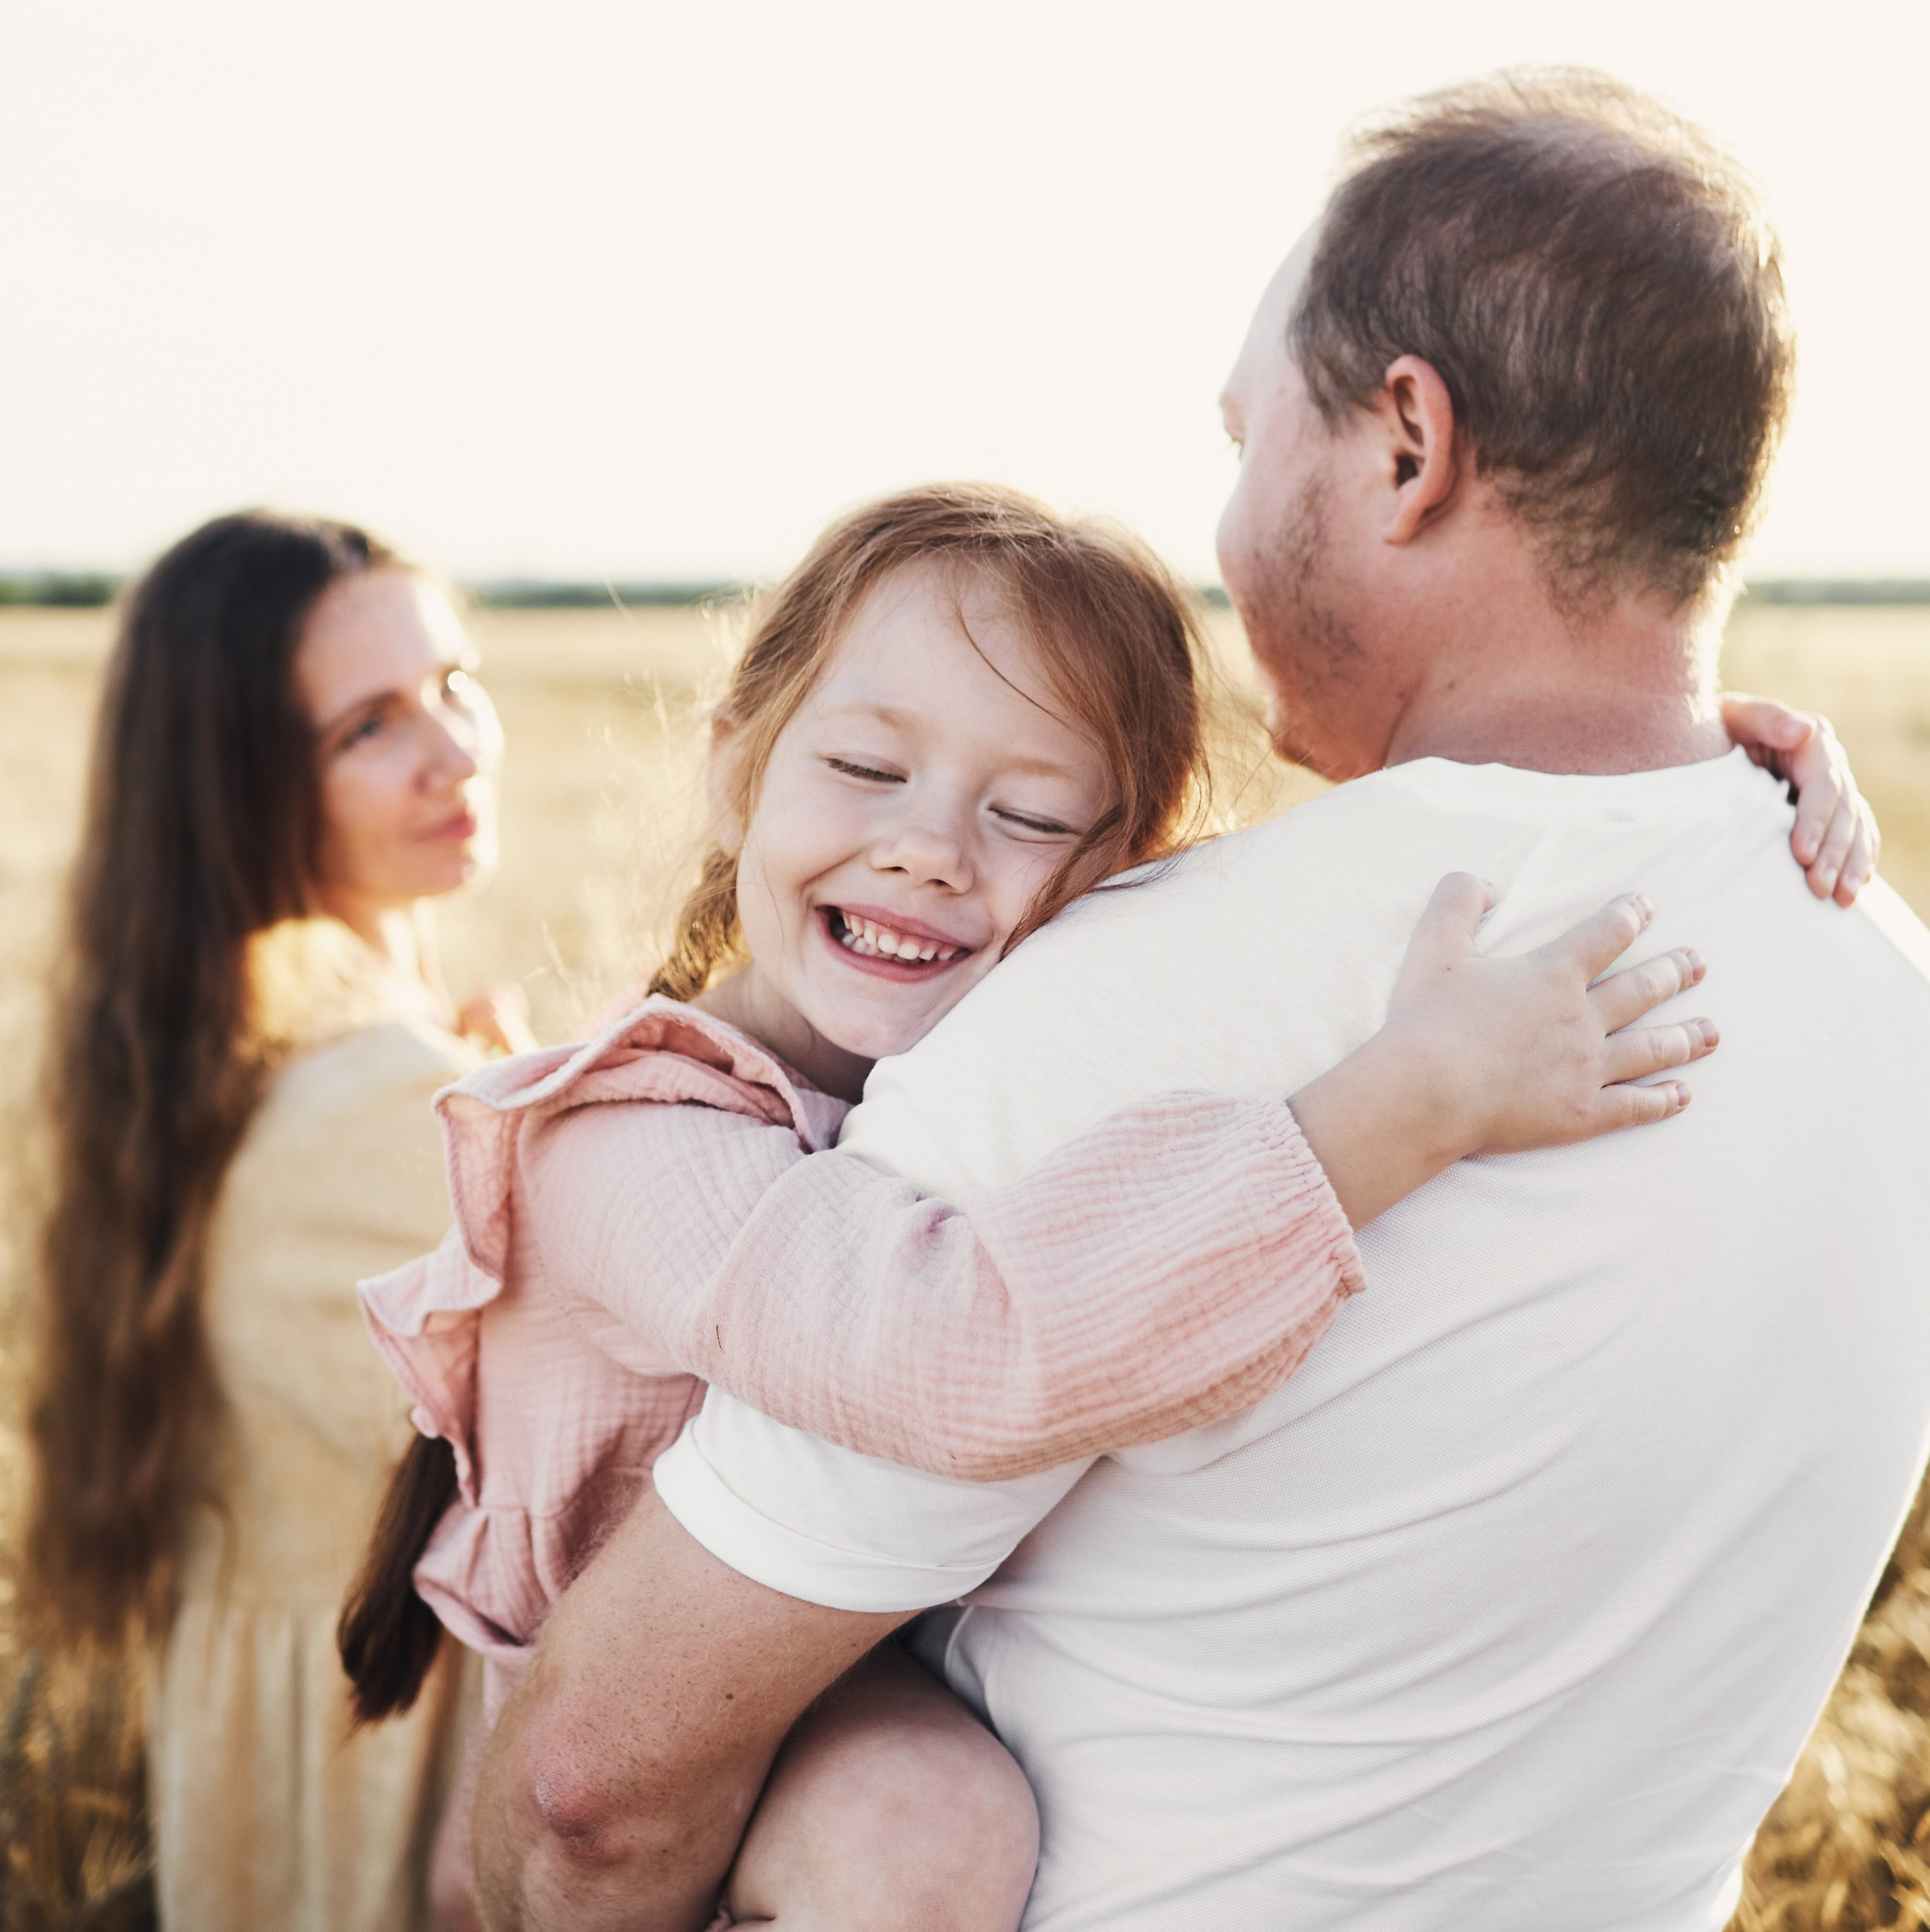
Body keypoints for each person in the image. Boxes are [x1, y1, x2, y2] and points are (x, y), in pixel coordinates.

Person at [467, 70, 1930, 1932]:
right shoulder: (1873, 967)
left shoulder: (1137, 1004)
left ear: (1406, 444)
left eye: (1250, 438)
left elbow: (592, 1792)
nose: (1224, 536)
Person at [340, 482, 1769, 1924]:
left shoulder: (998, 1077)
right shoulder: (624, 1149)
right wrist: (1403, 1109)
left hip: (830, 1672)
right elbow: (931, 1344)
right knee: (927, 1830)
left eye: (1027, 812)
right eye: (863, 767)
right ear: (734, 773)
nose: (931, 850)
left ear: (1122, 889)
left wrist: (1722, 768)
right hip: (632, 1732)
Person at [23, 510, 534, 1932]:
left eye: (454, 682)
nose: (456, 750)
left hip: (292, 1746)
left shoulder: (241, 1051)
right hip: (394, 1773)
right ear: (236, 790)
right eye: (368, 728)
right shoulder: (381, 1105)